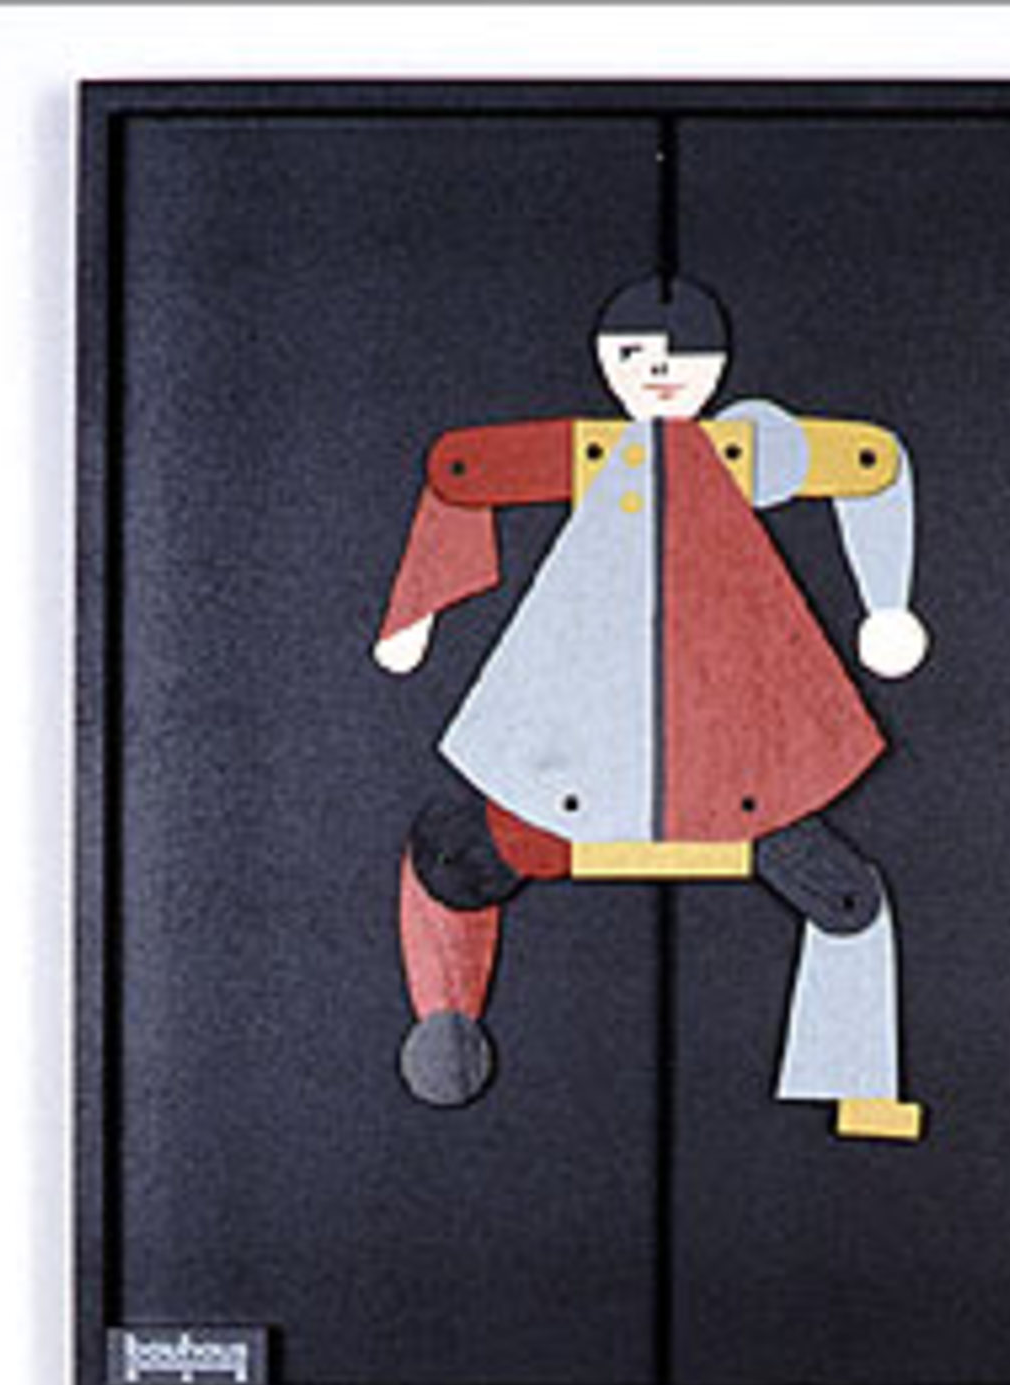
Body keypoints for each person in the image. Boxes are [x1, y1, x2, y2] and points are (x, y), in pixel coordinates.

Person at [374, 275, 931, 1141]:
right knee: (450, 860)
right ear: (608, 362)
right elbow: (460, 472)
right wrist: (417, 610)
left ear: (718, 365)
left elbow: (874, 463)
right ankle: (447, 1022)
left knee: (846, 899)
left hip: (729, 765)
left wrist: (888, 606)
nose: (660, 371)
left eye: (682, 356)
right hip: (582, 764)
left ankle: (854, 1080)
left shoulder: (746, 450)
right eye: (635, 355)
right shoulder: (603, 451)